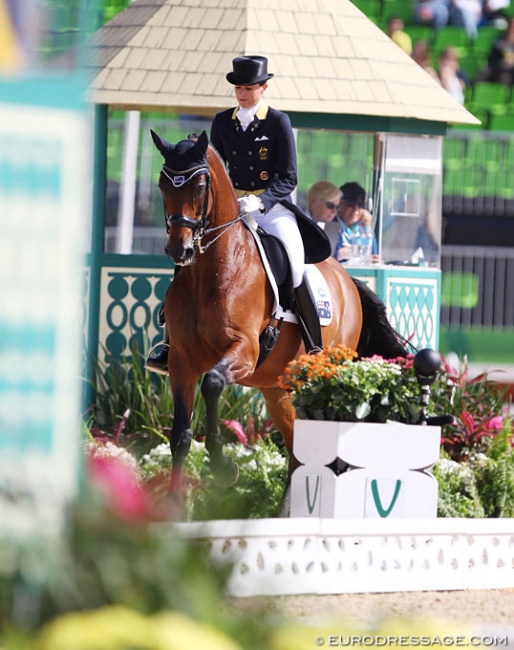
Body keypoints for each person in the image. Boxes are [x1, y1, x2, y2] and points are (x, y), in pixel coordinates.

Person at [146, 55, 328, 373]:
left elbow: (289, 178)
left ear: (263, 87)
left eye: (248, 88)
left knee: (296, 266)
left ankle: (313, 345)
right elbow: (215, 171)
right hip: (230, 211)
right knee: (188, 255)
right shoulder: (222, 122)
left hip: (271, 208)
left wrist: (260, 202)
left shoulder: (278, 122)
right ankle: (170, 342)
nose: (242, 94)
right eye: (238, 88)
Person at [334, 182, 380, 265]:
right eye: (350, 204)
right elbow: (333, 256)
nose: (355, 210)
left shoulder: (362, 226)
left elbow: (374, 255)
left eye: (360, 205)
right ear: (339, 204)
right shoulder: (333, 225)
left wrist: (368, 228)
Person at [306, 181, 342, 253]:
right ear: (313, 201)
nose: (334, 211)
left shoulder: (333, 225)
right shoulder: (301, 225)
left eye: (337, 207)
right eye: (330, 205)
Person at [482, 16, 514, 85]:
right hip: (498, 66)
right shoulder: (500, 39)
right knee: (484, 72)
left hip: (511, 70)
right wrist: (507, 41)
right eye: (511, 26)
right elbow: (497, 47)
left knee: (505, 77)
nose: (512, 29)